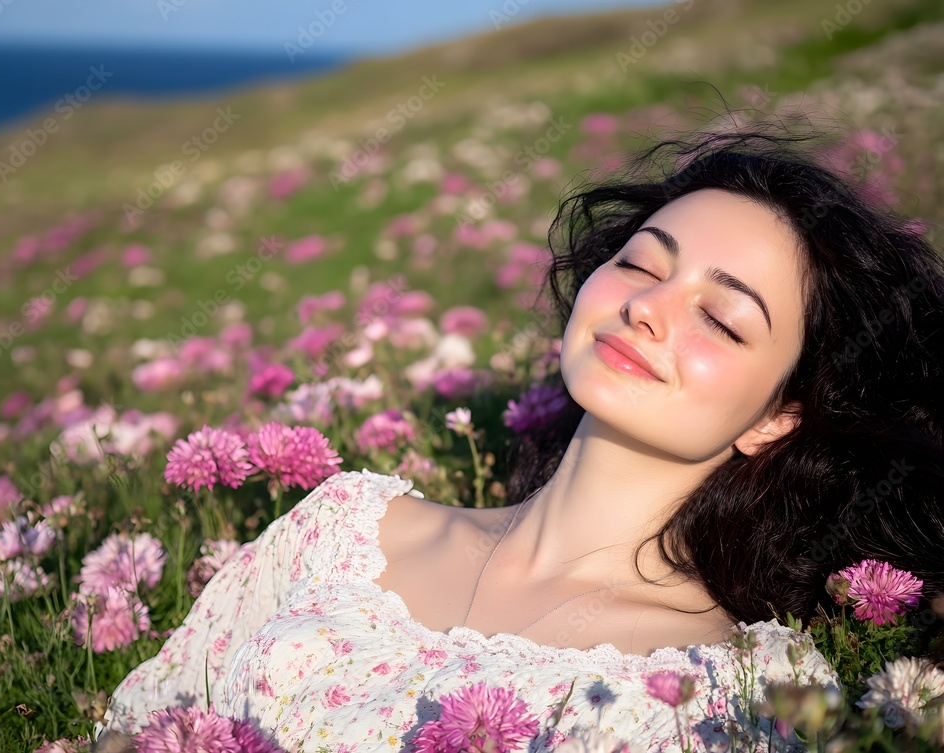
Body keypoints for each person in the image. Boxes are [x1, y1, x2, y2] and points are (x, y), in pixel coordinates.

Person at [93, 124, 944, 752]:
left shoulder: (730, 693)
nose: (646, 307)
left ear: (777, 416)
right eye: (643, 264)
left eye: (720, 319)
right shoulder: (339, 530)